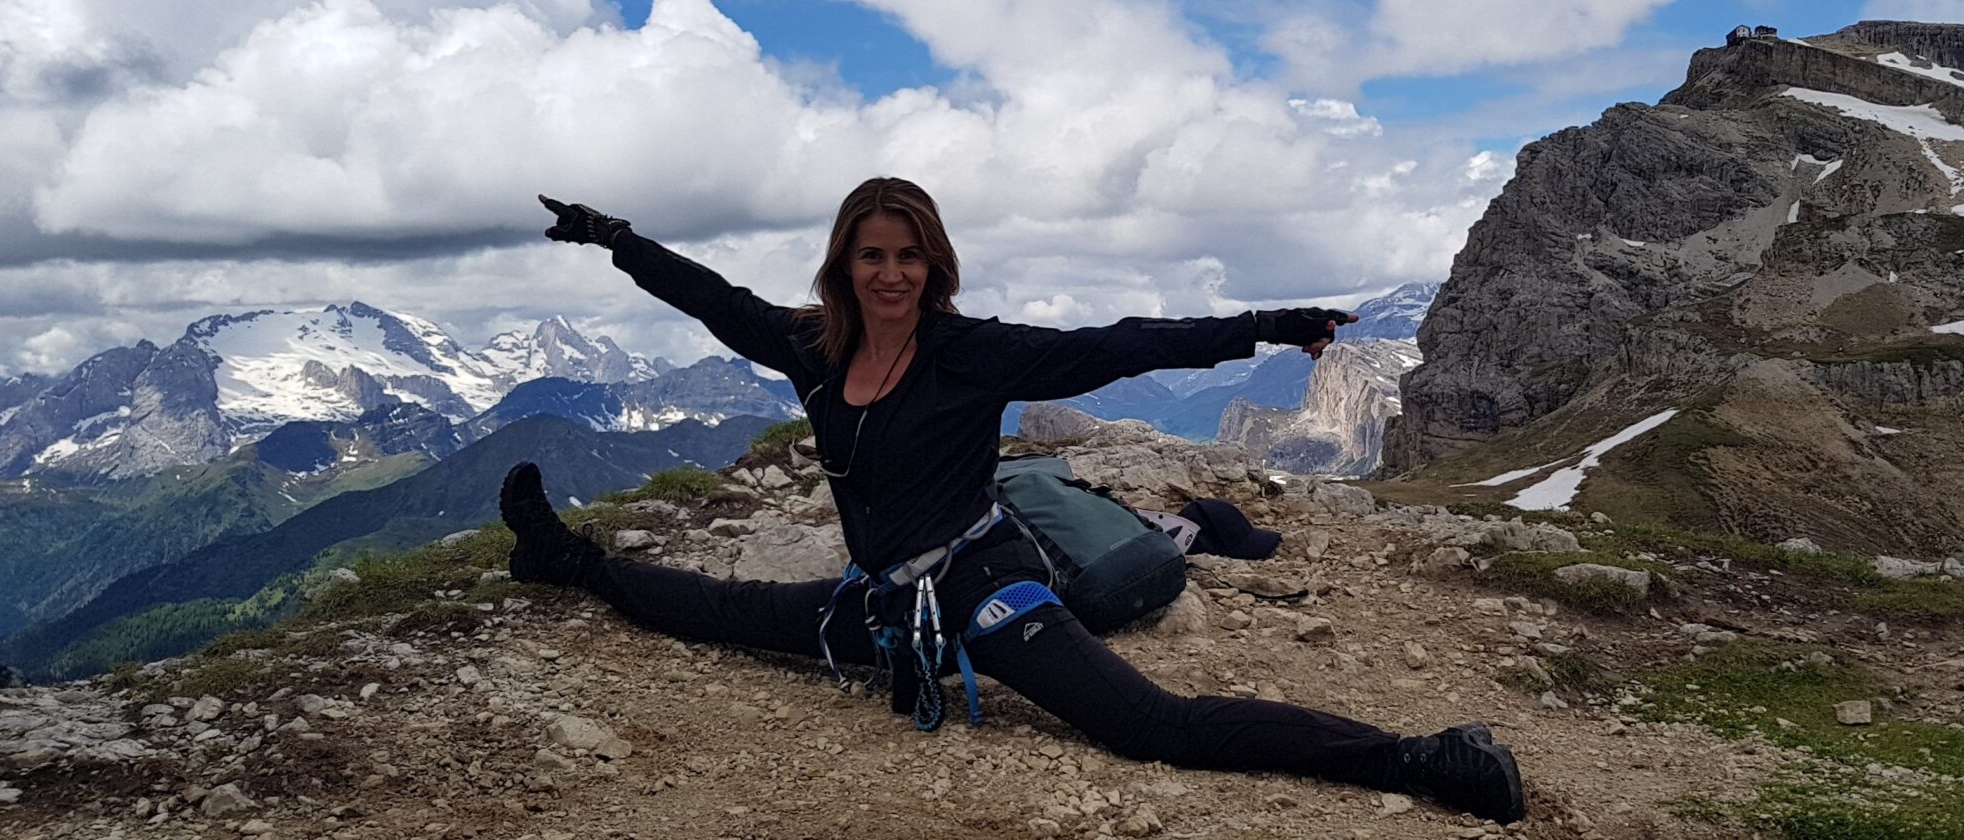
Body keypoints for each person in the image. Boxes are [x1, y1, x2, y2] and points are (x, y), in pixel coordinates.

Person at [499, 178, 1525, 823]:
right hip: (885, 602)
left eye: (909, 255)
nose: (891, 273)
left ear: (933, 264)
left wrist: (1264, 324)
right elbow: (712, 299)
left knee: (1151, 726)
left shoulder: (969, 352)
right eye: (872, 254)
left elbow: (1120, 346)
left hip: (984, 584)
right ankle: (566, 560)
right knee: (726, 614)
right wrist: (614, 237)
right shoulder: (810, 345)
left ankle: (1423, 758)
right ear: (844, 264)